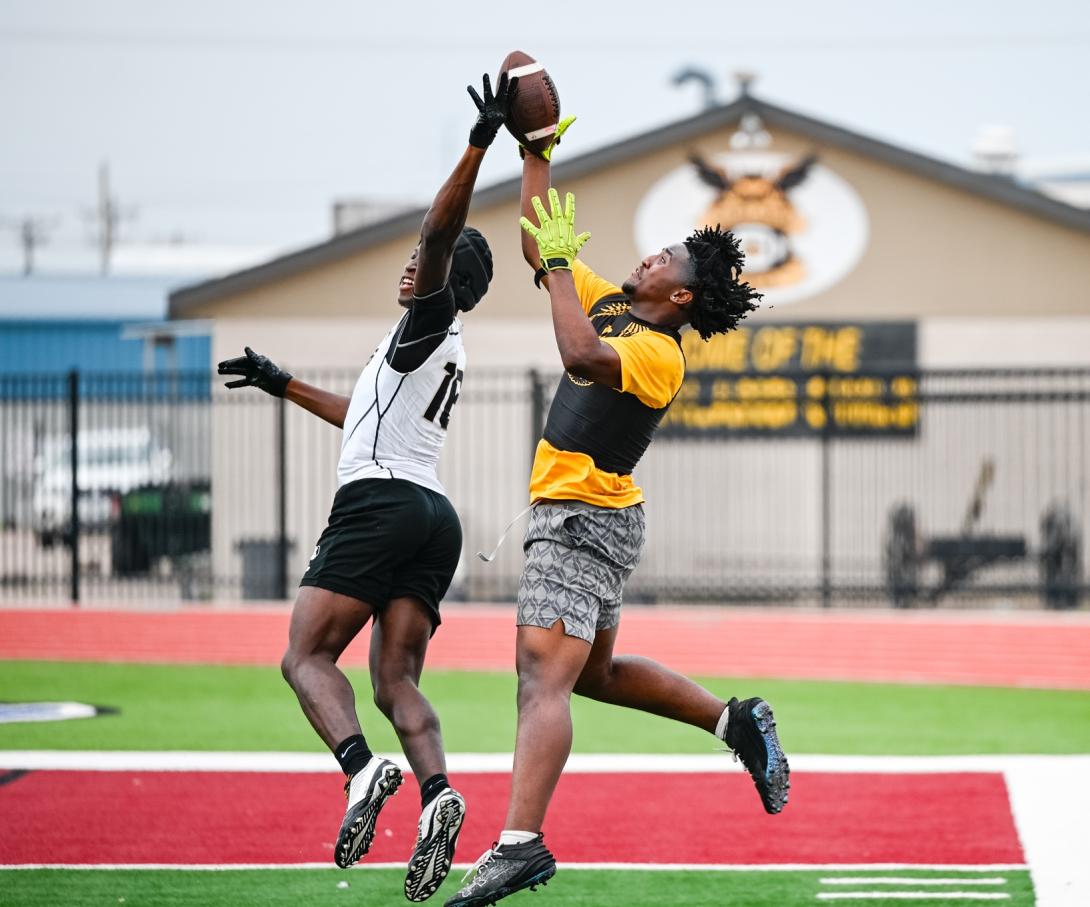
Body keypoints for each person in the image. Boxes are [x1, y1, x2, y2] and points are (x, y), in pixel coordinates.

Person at [445, 147, 789, 907]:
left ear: (682, 296)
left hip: (581, 517)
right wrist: (536, 153)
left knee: (542, 677)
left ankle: (519, 844)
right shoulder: (610, 302)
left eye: (666, 258)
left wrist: (560, 265)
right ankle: (734, 721)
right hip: (588, 516)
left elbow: (578, 351)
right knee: (590, 676)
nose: (650, 255)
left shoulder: (659, 352)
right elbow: (537, 245)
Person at [217, 71, 517, 903]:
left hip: (381, 503)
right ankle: (438, 791)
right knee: (394, 681)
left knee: (305, 655)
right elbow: (361, 417)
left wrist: (479, 142)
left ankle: (360, 768)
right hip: (432, 514)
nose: (412, 263)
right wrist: (282, 383)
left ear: (445, 274)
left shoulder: (430, 316)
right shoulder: (436, 348)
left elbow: (439, 226)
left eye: (424, 259)